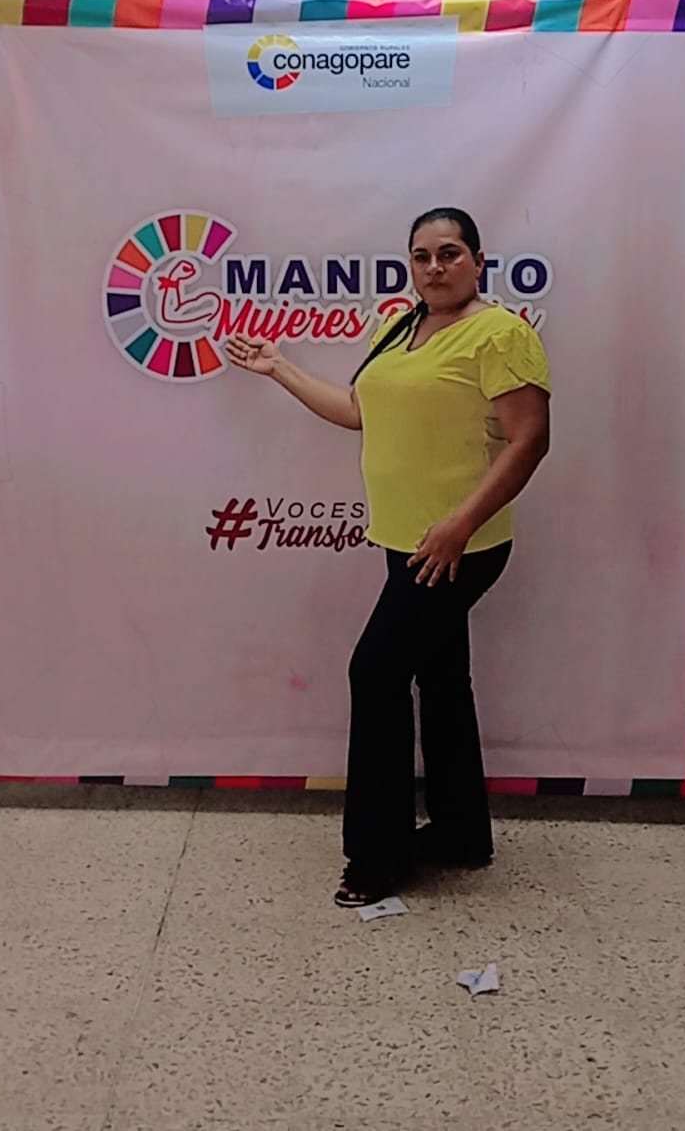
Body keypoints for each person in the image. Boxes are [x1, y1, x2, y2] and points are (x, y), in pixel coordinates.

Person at [226, 207, 551, 907]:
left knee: (374, 671)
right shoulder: (399, 325)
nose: (435, 267)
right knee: (441, 677)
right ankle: (461, 834)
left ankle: (378, 856)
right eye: (422, 255)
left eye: (450, 253)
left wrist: (460, 524)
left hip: (457, 546)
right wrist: (279, 367)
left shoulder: (501, 334)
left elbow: (529, 440)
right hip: (403, 540)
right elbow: (356, 409)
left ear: (478, 262)